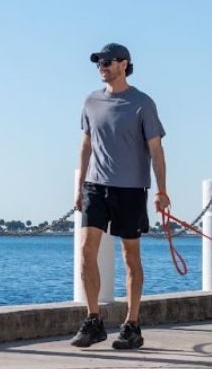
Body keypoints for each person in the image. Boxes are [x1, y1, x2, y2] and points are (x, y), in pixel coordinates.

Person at [70, 42, 168, 350]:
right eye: (98, 62)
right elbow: (86, 145)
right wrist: (79, 186)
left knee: (130, 257)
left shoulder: (142, 103)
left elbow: (156, 150)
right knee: (86, 250)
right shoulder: (90, 102)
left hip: (131, 190)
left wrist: (161, 190)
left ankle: (132, 324)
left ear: (124, 64)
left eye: (107, 62)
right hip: (95, 187)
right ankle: (93, 320)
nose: (102, 66)